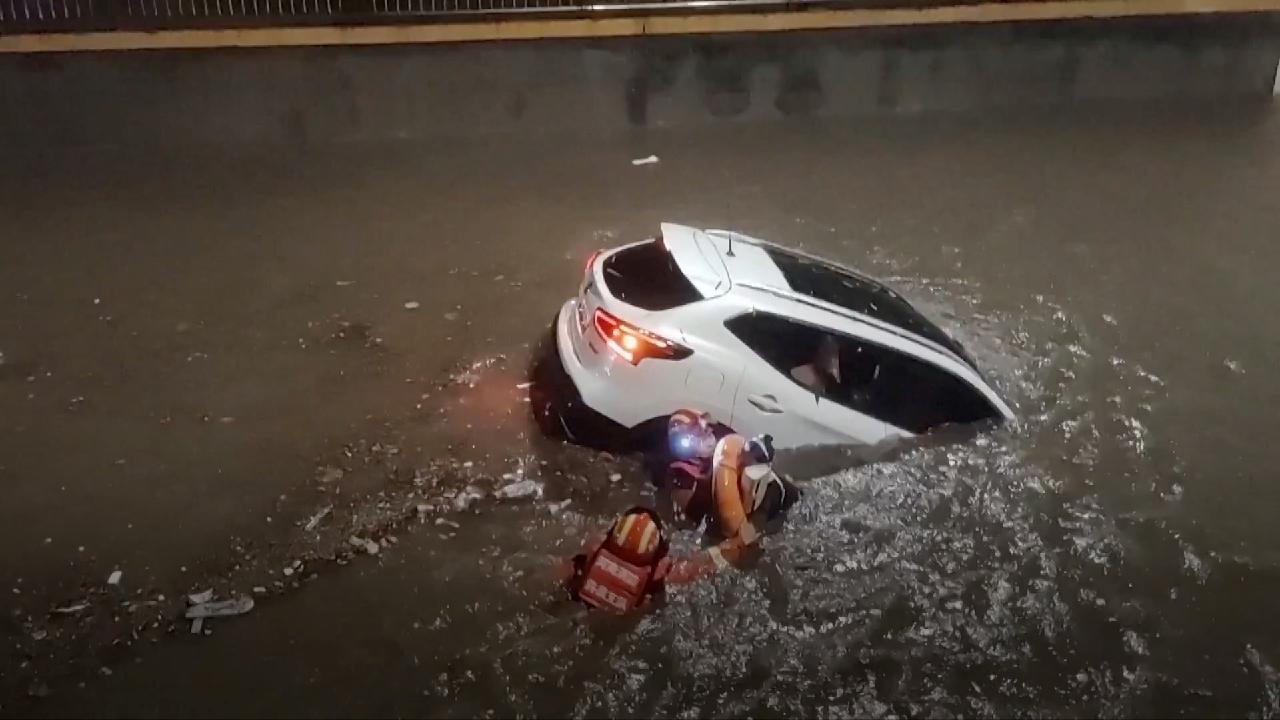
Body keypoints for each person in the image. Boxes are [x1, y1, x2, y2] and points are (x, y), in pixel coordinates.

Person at [558, 505, 752, 613]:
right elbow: (703, 564)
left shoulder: (590, 553)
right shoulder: (657, 575)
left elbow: (556, 574)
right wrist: (741, 542)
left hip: (574, 610)